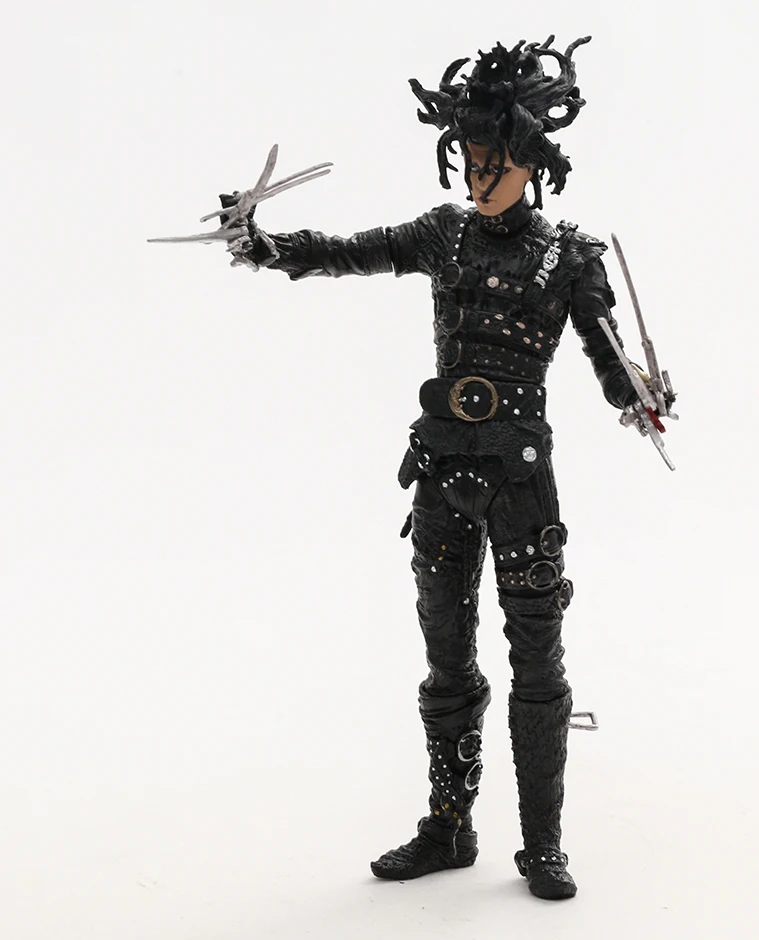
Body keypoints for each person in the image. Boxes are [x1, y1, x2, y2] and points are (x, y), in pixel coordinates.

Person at [223, 35, 645, 901]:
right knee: (446, 659)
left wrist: (639, 396)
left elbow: (609, 361)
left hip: (521, 483)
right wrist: (264, 247)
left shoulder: (571, 257)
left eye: (497, 163)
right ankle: (449, 826)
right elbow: (348, 250)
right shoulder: (442, 234)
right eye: (472, 161)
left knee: (538, 664)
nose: (481, 178)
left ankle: (543, 845)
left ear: (532, 162)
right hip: (442, 468)